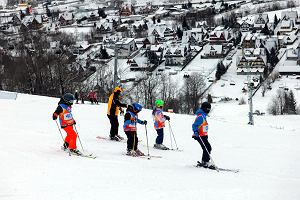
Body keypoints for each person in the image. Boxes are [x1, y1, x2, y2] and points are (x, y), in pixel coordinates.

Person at [192, 102, 215, 168]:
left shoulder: (203, 116)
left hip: (203, 135)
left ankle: (204, 161)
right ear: (205, 109)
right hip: (199, 135)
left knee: (207, 147)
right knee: (207, 148)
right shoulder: (201, 116)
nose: (209, 110)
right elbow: (194, 125)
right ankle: (205, 162)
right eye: (208, 109)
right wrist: (196, 132)